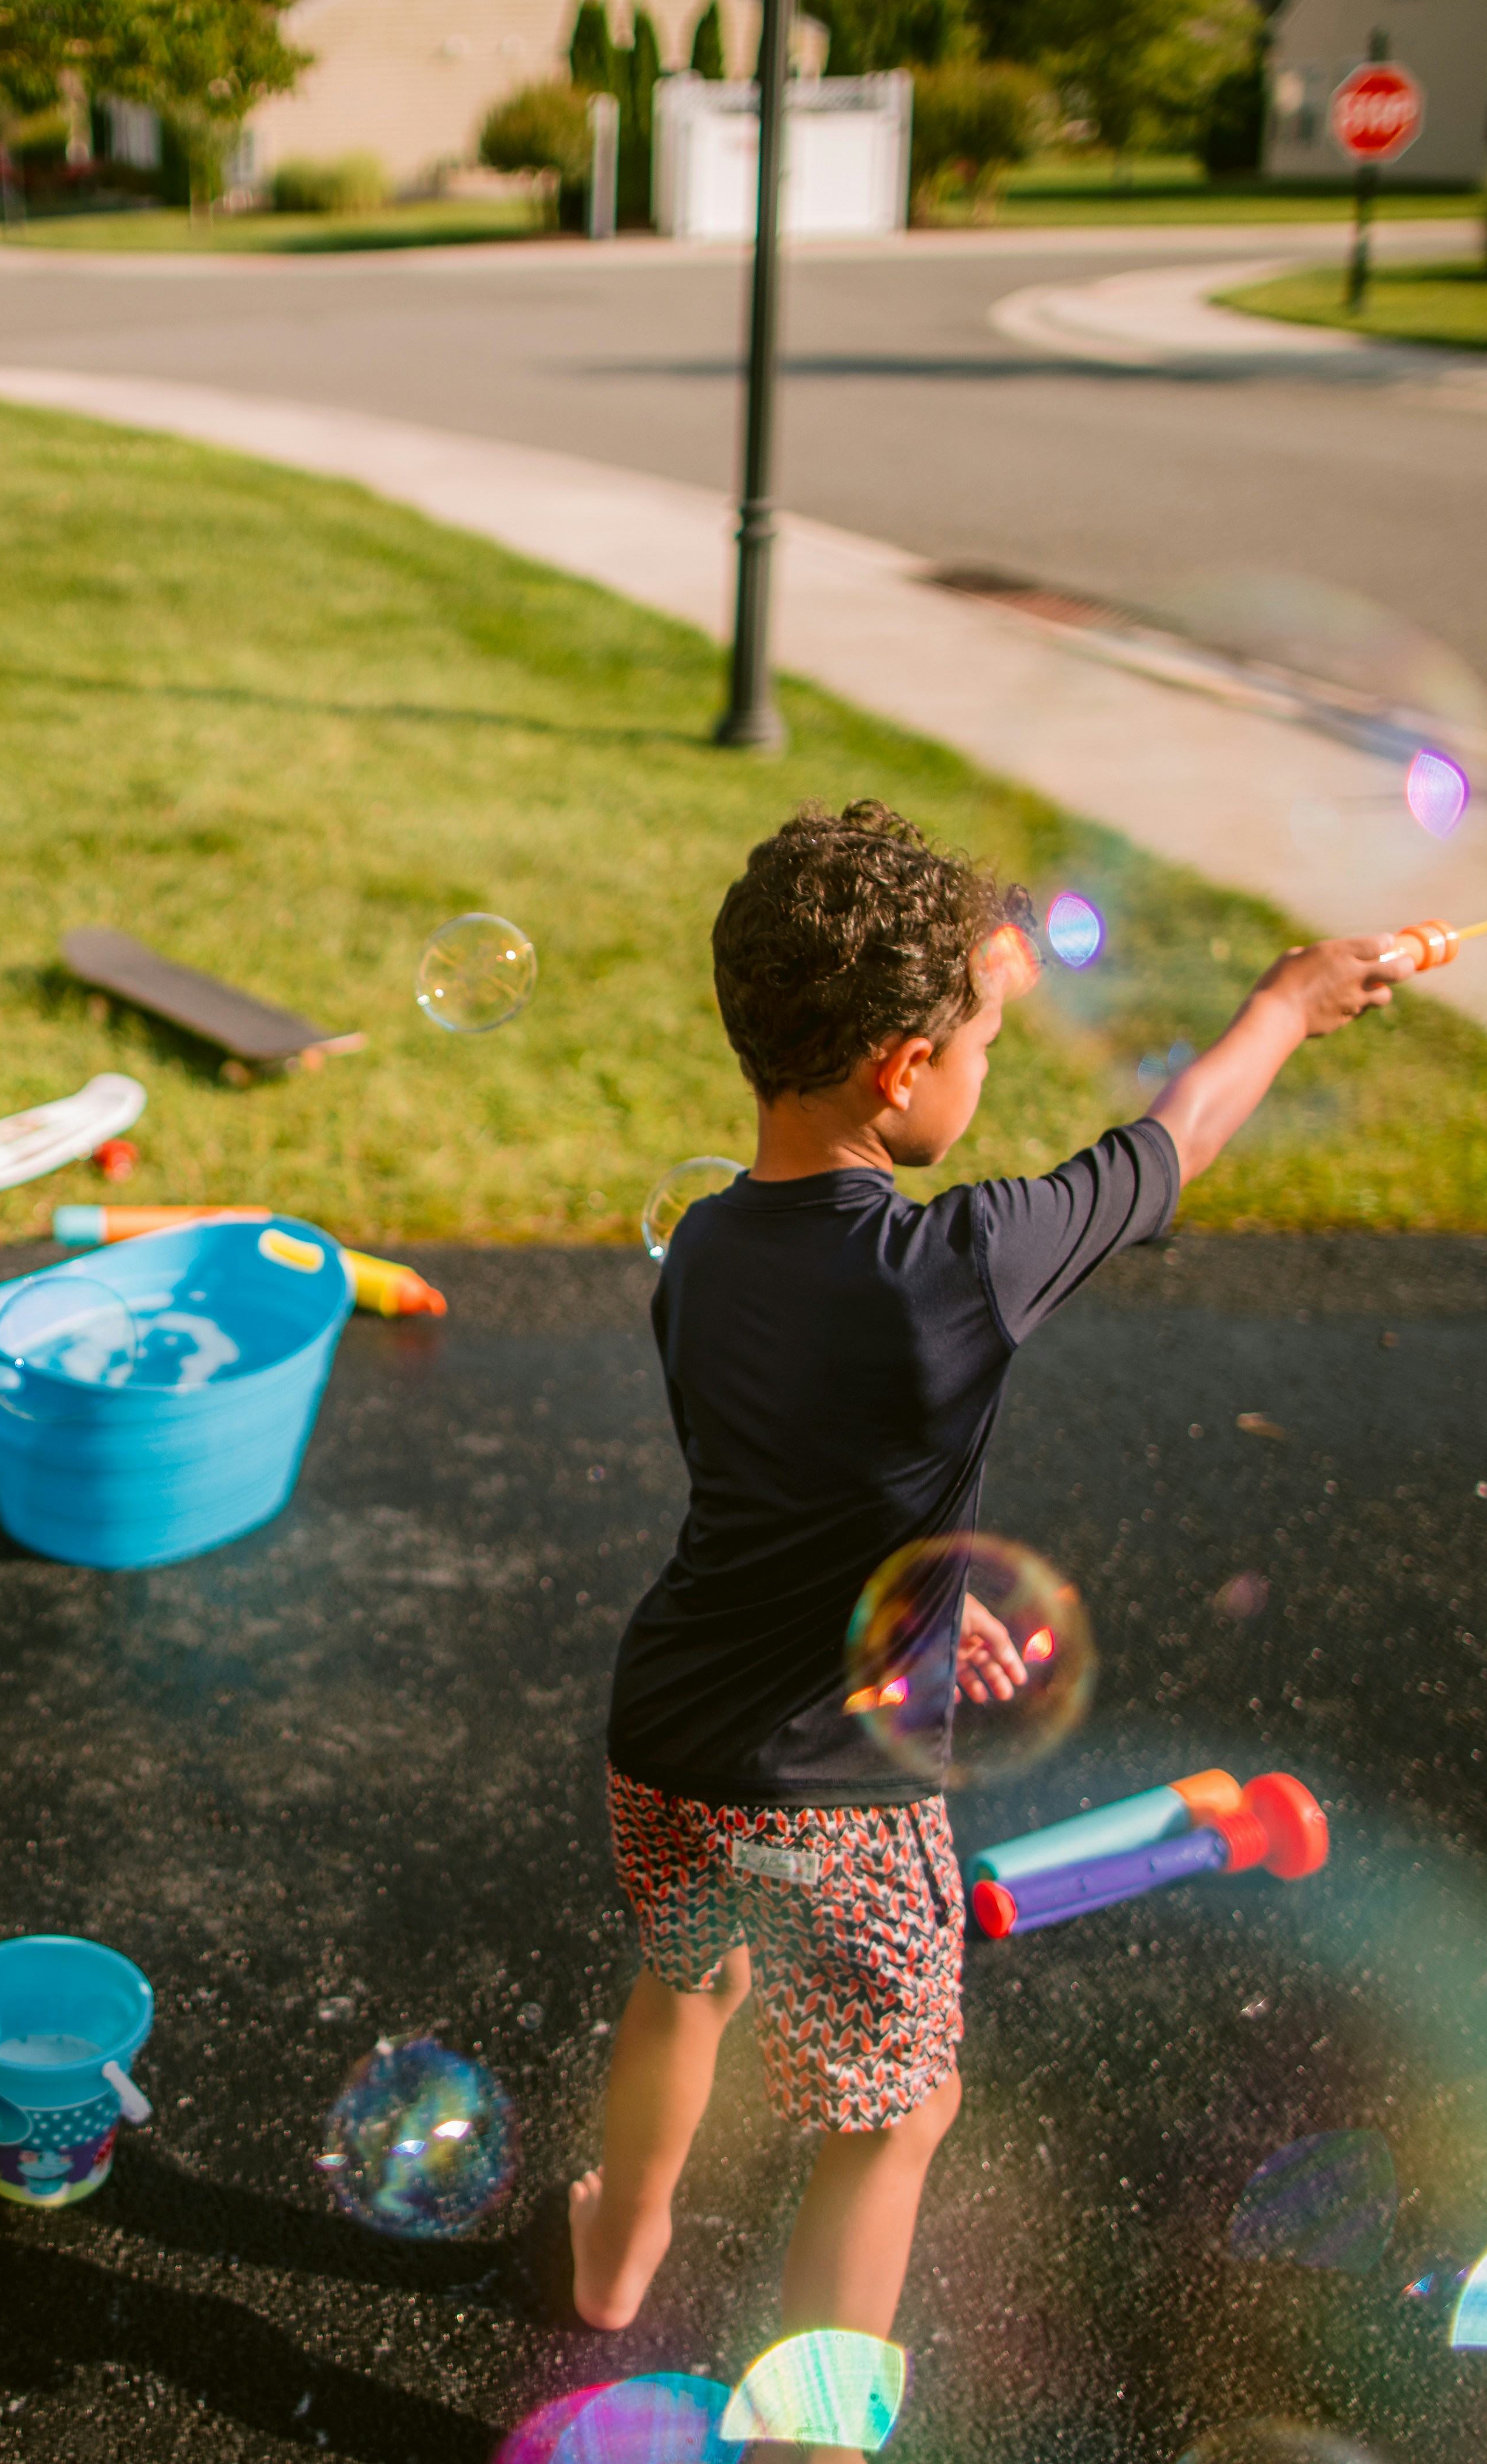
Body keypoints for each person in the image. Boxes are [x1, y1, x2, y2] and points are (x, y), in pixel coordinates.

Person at [566, 803, 1397, 2442]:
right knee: (897, 2113)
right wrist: (1288, 1006)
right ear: (897, 1067)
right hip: (846, 1804)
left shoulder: (712, 1241)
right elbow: (1171, 1149)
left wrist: (926, 1610)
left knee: (687, 1986)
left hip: (665, 1736)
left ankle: (612, 2259)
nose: (990, 1066)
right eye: (984, 1042)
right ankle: (813, 2427)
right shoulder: (961, 1261)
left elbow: (795, 1501)